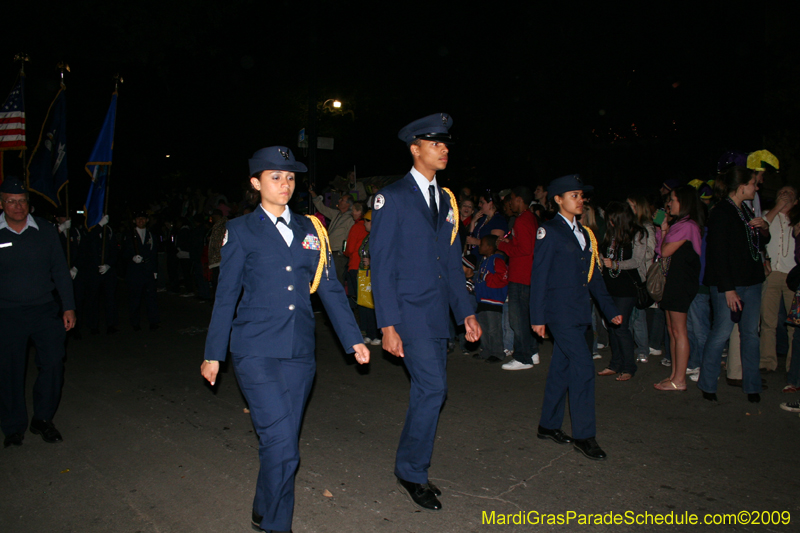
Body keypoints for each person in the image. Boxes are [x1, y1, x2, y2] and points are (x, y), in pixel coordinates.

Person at [202, 146, 370, 533]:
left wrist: (353, 339)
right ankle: (277, 525)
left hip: (299, 353)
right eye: (275, 176)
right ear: (255, 182)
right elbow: (226, 296)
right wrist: (213, 354)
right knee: (284, 448)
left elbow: (330, 288)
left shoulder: (312, 229)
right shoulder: (239, 230)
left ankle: (263, 507)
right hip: (255, 351)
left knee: (281, 443)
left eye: (290, 177)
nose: (285, 184)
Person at [370, 113, 481, 511]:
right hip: (408, 312)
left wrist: (465, 312)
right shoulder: (392, 197)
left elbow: (450, 262)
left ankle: (410, 464)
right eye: (436, 144)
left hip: (436, 313)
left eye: (446, 143)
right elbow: (381, 266)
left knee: (429, 390)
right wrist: (387, 324)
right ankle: (412, 471)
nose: (444, 149)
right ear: (415, 149)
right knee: (433, 389)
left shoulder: (446, 200)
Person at [529, 174, 621, 461]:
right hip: (559, 314)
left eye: (581, 196)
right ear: (558, 200)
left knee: (562, 368)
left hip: (580, 312)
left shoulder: (585, 233)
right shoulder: (548, 231)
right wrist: (537, 316)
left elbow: (593, 277)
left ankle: (548, 425)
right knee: (583, 368)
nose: (580, 200)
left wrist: (610, 309)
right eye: (574, 195)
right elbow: (539, 276)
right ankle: (584, 435)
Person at [0, 177, 76, 448]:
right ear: (2, 203)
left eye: (22, 201)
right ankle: (13, 427)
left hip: (44, 310)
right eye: (11, 201)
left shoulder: (44, 230)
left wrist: (68, 306)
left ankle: (43, 419)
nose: (17, 206)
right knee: (9, 371)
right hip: (7, 313)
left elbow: (60, 270)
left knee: (53, 364)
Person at [699, 166, 769, 403]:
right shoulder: (721, 212)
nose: (756, 188)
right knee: (721, 333)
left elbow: (759, 242)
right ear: (741, 186)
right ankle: (708, 384)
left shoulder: (745, 210)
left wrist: (764, 228)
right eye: (753, 183)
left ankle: (752, 385)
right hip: (729, 285)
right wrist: (728, 289)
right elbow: (718, 254)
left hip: (752, 281)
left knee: (750, 335)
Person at [653, 187, 703, 391]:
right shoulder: (678, 224)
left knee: (679, 330)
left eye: (673, 200)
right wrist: (664, 228)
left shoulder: (688, 225)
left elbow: (665, 251)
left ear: (684, 202)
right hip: (673, 281)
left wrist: (664, 230)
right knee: (672, 330)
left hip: (681, 282)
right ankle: (675, 374)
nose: (669, 204)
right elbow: (659, 249)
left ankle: (680, 379)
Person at [596, 201, 647, 382]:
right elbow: (603, 253)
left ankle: (628, 367)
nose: (610, 223)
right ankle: (615, 364)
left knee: (621, 327)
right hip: (609, 285)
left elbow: (637, 261)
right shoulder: (611, 233)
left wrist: (616, 264)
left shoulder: (637, 233)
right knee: (611, 327)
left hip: (627, 287)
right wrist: (601, 259)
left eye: (612, 219)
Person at [497, 186, 540, 369]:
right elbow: (525, 244)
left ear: (520, 200)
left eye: (512, 199)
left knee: (518, 319)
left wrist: (503, 246)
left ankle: (523, 357)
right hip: (526, 275)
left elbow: (524, 249)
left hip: (521, 276)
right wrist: (510, 242)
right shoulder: (529, 218)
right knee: (525, 317)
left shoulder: (522, 220)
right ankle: (532, 351)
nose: (510, 203)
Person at [760, 186, 797, 372]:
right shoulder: (768, 215)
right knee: (768, 321)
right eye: (781, 192)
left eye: (789, 193)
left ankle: (793, 365)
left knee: (794, 325)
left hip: (793, 275)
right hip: (772, 273)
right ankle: (767, 362)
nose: (785, 194)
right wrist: (778, 207)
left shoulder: (797, 219)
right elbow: (761, 226)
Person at [309, 184, 355, 285]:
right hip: (330, 252)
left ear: (348, 204)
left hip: (339, 255)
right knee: (328, 278)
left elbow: (349, 237)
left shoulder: (350, 218)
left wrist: (343, 251)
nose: (339, 200)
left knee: (337, 279)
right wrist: (313, 194)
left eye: (342, 200)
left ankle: (339, 295)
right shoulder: (337, 214)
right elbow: (322, 208)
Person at [473, 235, 508, 363]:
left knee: (494, 329)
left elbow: (503, 278)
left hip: (493, 300)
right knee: (483, 327)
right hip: (482, 300)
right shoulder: (484, 261)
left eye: (482, 244)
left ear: (490, 247)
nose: (479, 246)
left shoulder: (497, 260)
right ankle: (486, 351)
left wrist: (487, 277)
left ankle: (497, 353)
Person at [123, 212, 160, 331]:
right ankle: (135, 323)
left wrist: (155, 270)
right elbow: (124, 251)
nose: (141, 221)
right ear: (134, 221)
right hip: (135, 271)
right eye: (138, 219)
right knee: (135, 298)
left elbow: (154, 253)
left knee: (151, 298)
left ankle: (153, 321)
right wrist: (132, 257)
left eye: (143, 219)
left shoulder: (151, 235)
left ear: (147, 220)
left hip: (148, 269)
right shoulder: (129, 235)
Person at [465, 190, 507, 256]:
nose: (479, 205)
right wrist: (473, 222)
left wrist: (477, 242)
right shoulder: (483, 219)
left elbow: (495, 244)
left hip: (487, 258)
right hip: (475, 255)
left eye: (482, 203)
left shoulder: (498, 221)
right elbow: (471, 237)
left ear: (491, 204)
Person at [343, 201, 368, 311]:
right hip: (365, 265)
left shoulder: (357, 227)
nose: (351, 213)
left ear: (359, 211)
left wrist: (345, 252)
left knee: (356, 296)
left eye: (353, 210)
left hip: (355, 265)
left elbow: (350, 248)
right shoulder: (369, 226)